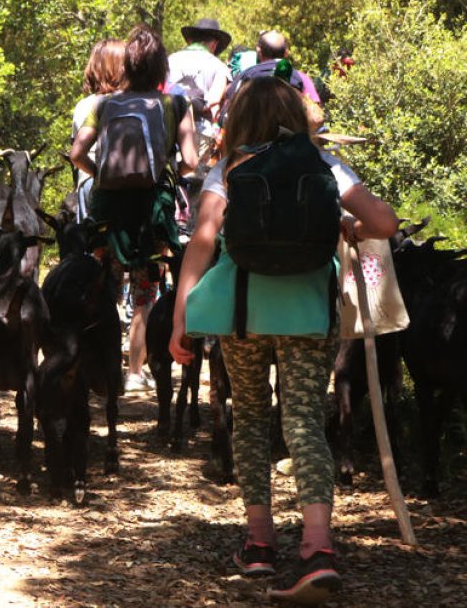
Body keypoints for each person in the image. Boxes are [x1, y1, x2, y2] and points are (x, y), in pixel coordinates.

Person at [169, 76, 398, 604]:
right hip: (307, 316)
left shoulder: (228, 171)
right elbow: (384, 221)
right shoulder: (324, 167)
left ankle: (258, 544)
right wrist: (344, 223)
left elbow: (201, 243)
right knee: (303, 423)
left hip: (242, 313)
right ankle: (318, 549)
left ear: (240, 120)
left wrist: (182, 318)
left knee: (249, 418)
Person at [69, 24, 200, 392]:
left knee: (100, 287)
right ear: (161, 68)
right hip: (151, 210)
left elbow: (77, 153)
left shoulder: (104, 104)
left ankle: (94, 366)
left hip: (108, 208)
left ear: (126, 65)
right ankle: (134, 372)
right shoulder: (175, 105)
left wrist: (101, 175)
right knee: (144, 293)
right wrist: (167, 169)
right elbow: (189, 162)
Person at [71, 38, 127, 223]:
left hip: (88, 182)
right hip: (126, 185)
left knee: (90, 246)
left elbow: (76, 156)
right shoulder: (132, 104)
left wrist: (95, 174)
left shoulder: (83, 106)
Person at [167, 18, 232, 161]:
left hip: (169, 125)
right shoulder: (219, 66)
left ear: (190, 41)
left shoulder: (170, 60)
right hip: (200, 130)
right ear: (214, 44)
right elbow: (214, 100)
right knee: (195, 178)